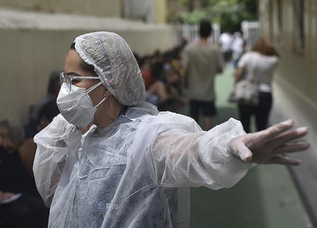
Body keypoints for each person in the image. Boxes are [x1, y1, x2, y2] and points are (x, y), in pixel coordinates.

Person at [33, 31, 309, 228]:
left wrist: (225, 149)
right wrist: (67, 124)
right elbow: (50, 190)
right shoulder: (79, 137)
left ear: (108, 82)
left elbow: (188, 151)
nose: (65, 90)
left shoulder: (146, 136)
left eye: (74, 80)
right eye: (64, 79)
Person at [183, 20, 224, 130]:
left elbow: (185, 68)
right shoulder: (214, 50)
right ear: (210, 33)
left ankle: (195, 141)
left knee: (194, 119)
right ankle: (207, 142)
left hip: (194, 90)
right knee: (208, 119)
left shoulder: (190, 49)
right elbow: (220, 69)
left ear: (198, 31)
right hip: (208, 91)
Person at [235, 38, 280, 133]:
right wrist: (271, 47)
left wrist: (236, 83)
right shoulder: (273, 59)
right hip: (265, 93)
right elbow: (278, 55)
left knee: (245, 124)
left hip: (248, 92)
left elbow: (239, 73)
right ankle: (260, 147)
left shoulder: (248, 56)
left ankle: (246, 145)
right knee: (262, 126)